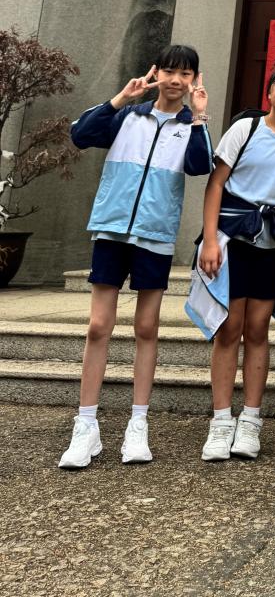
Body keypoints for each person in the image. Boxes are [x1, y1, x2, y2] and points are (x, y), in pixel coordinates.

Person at [59, 46, 211, 469]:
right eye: (170, 71)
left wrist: (200, 117)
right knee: (98, 326)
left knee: (146, 327)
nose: (176, 80)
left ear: (194, 79)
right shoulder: (128, 115)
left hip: (154, 235)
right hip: (111, 228)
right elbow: (80, 134)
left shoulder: (190, 126)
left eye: (185, 73)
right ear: (156, 73)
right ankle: (85, 426)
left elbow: (200, 166)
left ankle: (137, 424)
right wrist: (121, 98)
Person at [196, 62, 275, 462]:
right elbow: (216, 183)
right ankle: (220, 421)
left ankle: (250, 420)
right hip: (233, 238)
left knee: (257, 329)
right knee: (228, 329)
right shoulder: (245, 128)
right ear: (269, 90)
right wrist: (209, 240)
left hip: (271, 242)